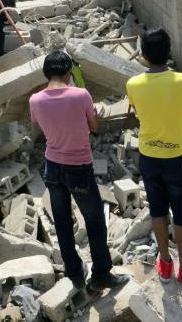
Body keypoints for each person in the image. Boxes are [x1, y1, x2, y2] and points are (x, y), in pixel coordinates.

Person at [29, 50, 128, 292]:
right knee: (94, 220)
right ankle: (101, 275)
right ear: (69, 72)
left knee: (62, 222)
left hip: (52, 167)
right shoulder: (81, 95)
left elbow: (39, 124)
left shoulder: (35, 100)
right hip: (78, 168)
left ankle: (74, 272)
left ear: (46, 74)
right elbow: (93, 127)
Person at [126, 28, 182, 285]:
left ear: (144, 55)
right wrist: (172, 108)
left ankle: (165, 264)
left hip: (148, 156)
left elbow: (138, 110)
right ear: (168, 52)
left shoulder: (133, 84)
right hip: (177, 158)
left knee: (157, 210)